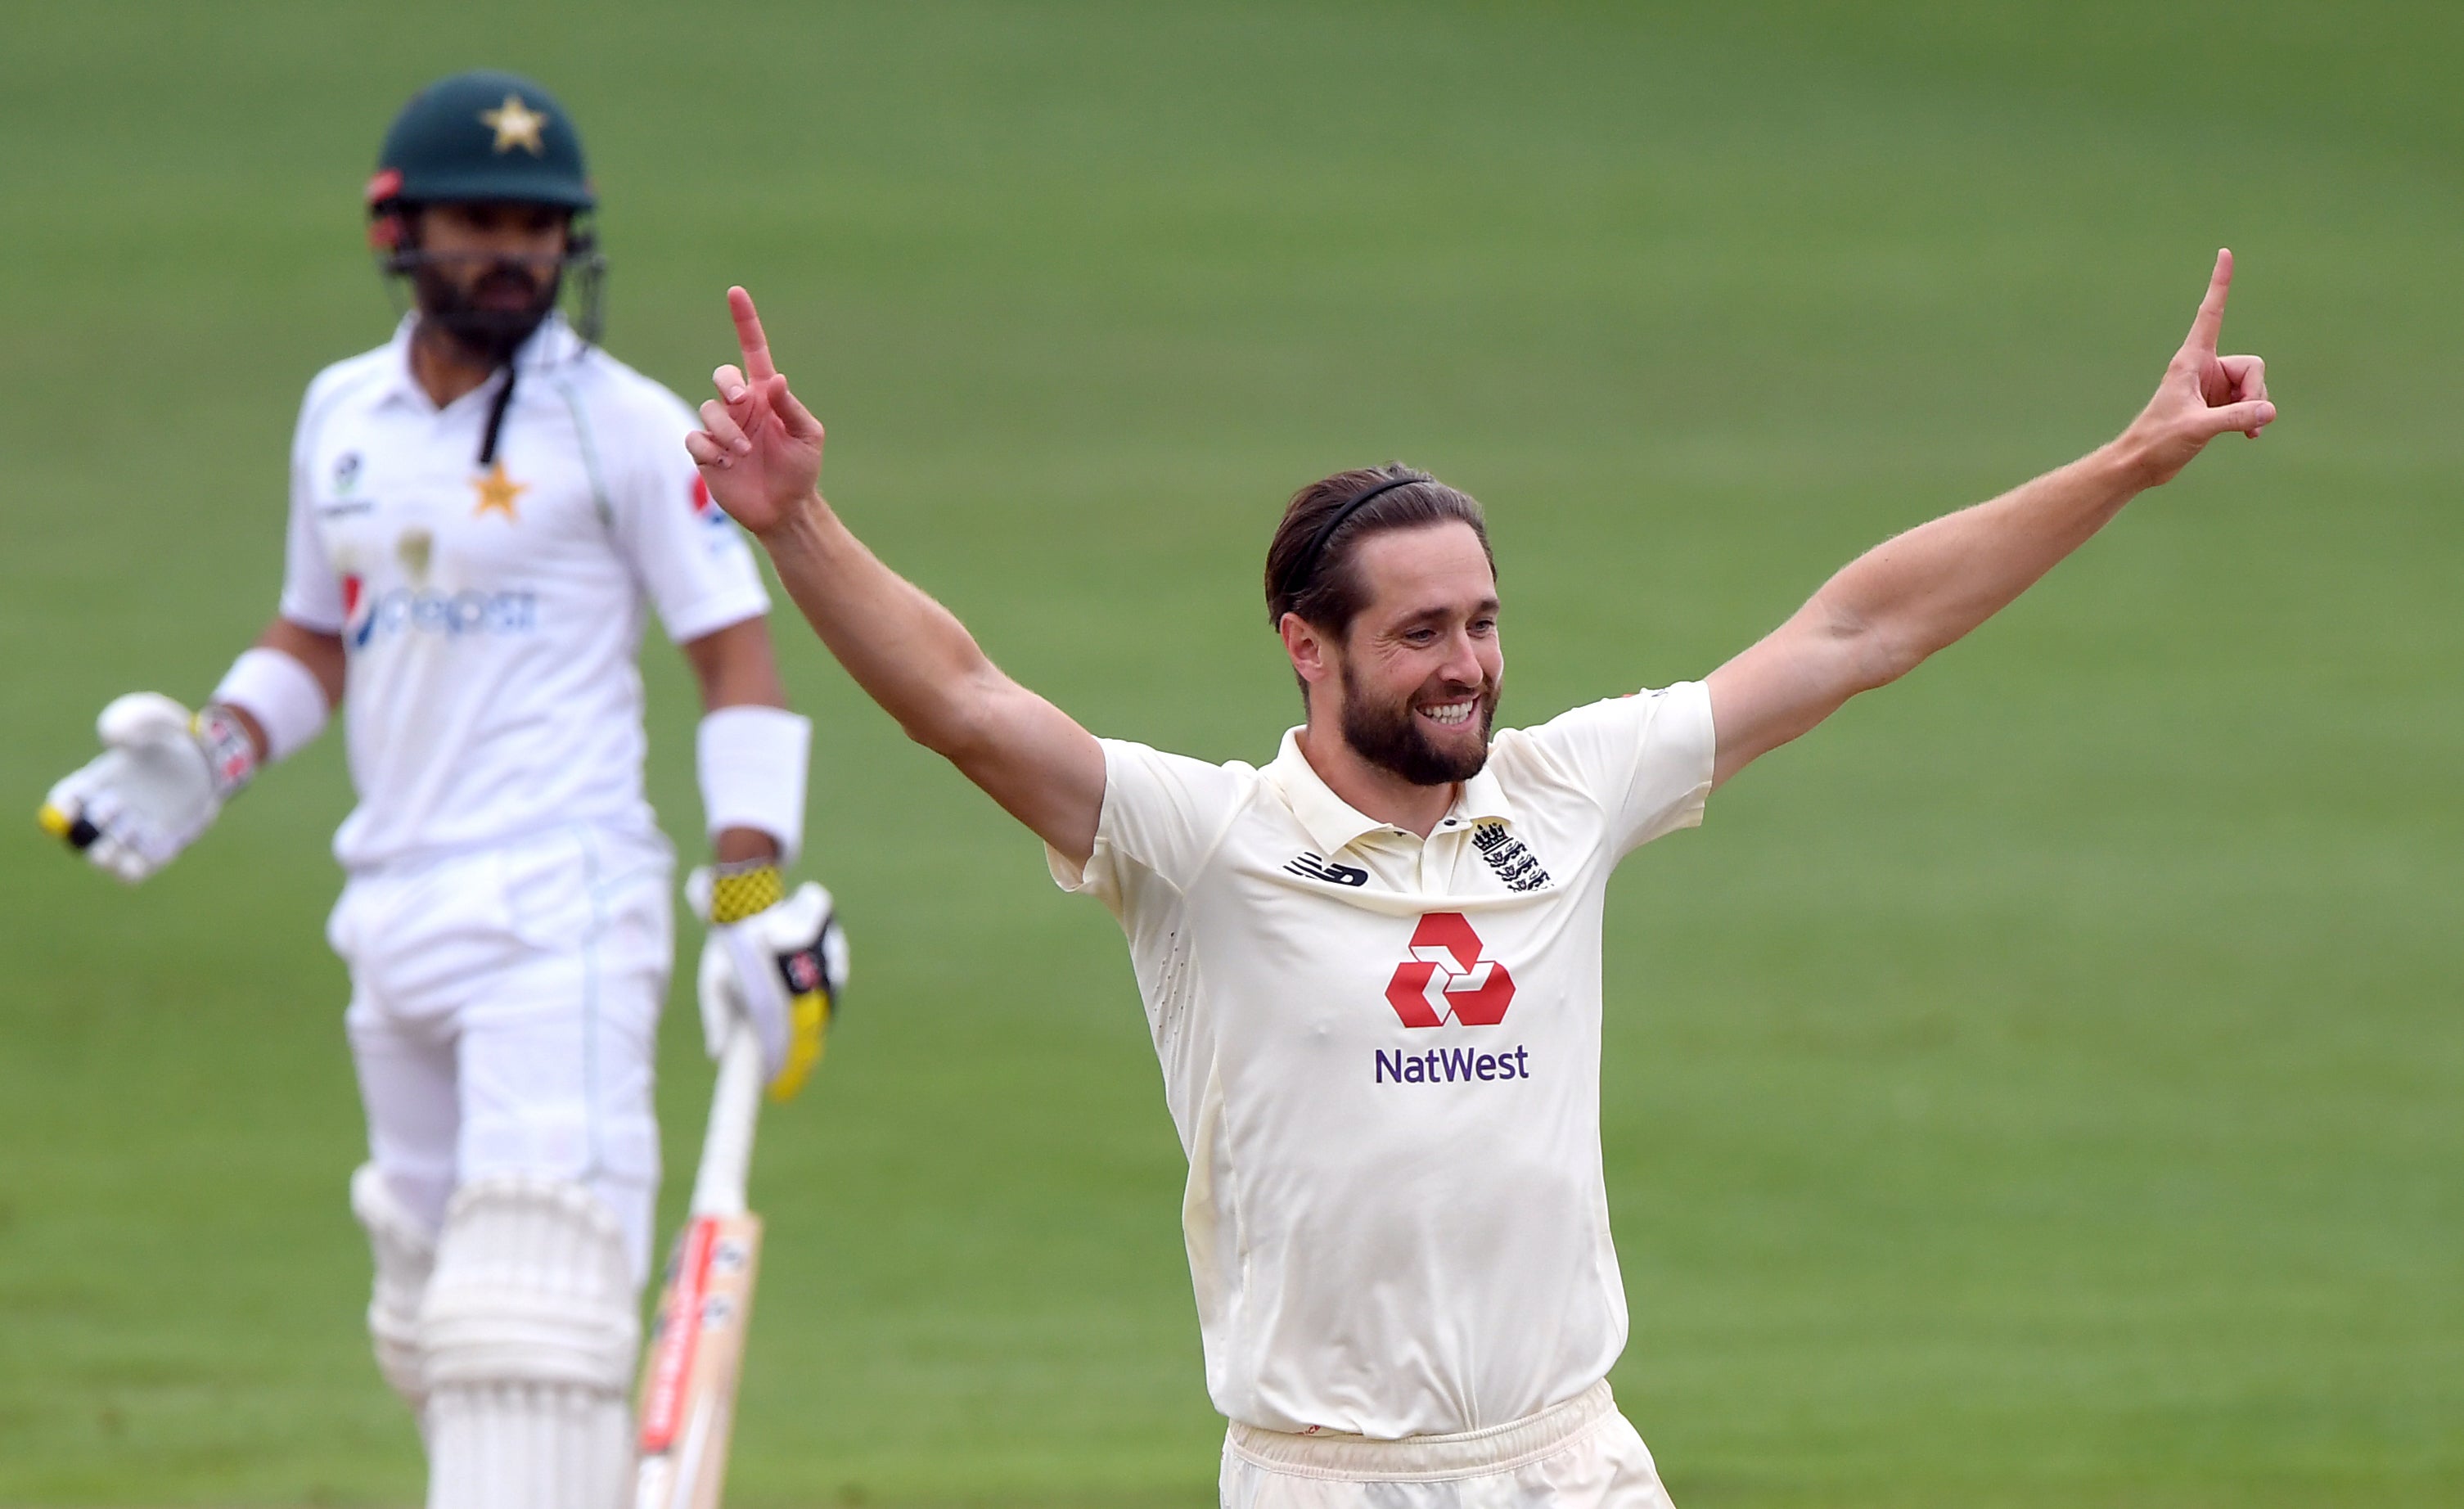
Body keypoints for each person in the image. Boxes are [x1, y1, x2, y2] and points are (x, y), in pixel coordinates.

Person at [682, 255, 2272, 1507]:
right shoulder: (1207, 844)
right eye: (1423, 633)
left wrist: (2127, 464)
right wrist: (803, 521)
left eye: (1486, 622)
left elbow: (1857, 633)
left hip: (1571, 1456)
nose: (1471, 670)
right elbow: (961, 702)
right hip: (1329, 1474)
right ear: (1309, 645)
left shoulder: (1566, 792)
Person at [38, 71, 845, 1509]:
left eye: (540, 227)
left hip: (563, 909)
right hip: (393, 906)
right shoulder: (339, 416)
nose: (515, 254)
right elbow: (318, 632)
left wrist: (747, 894)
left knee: (526, 1325)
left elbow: (737, 663)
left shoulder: (626, 426)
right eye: (481, 221)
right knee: (431, 1321)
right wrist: (216, 753)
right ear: (398, 231)